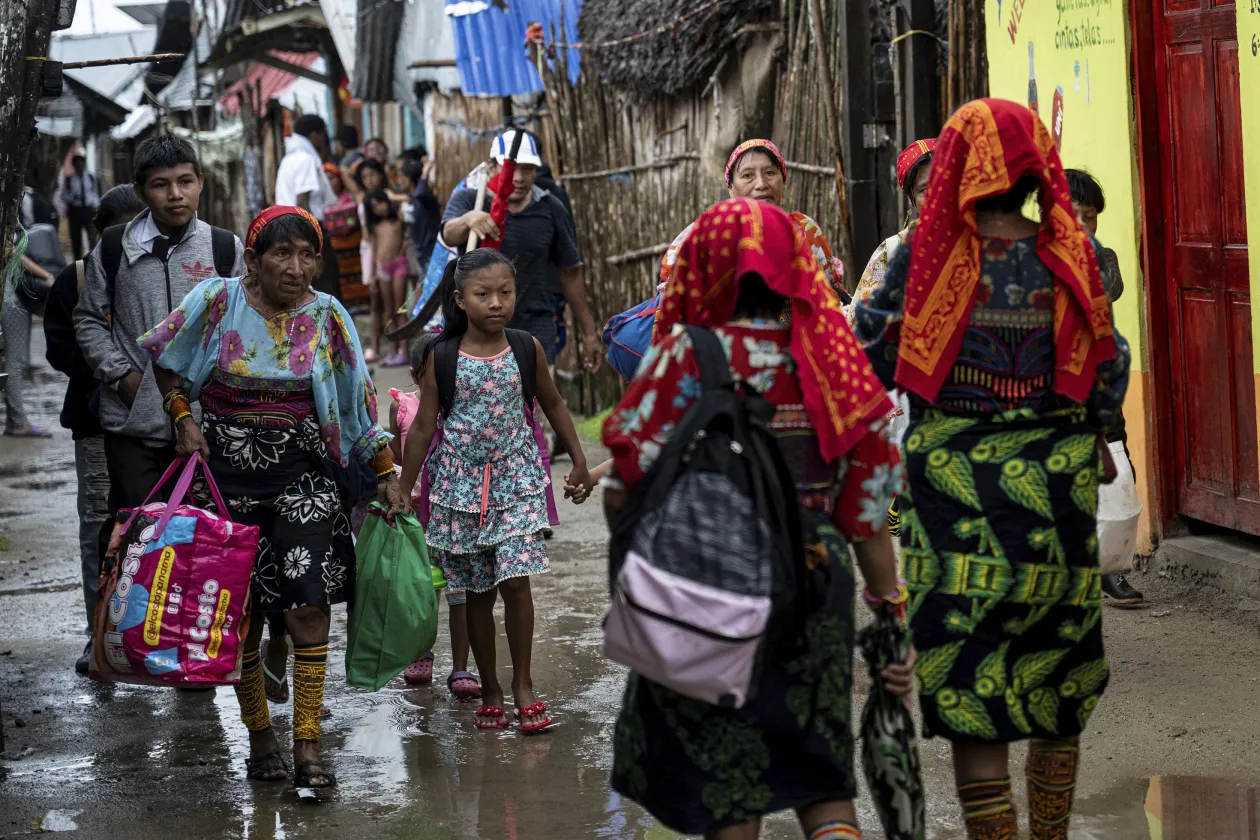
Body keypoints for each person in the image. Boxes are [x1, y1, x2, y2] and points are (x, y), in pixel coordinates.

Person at [852, 98, 1131, 840]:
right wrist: (1097, 432)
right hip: (1056, 502)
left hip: (953, 503)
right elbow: (1109, 366)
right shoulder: (1072, 256)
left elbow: (873, 352)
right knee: (1055, 675)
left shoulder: (925, 259)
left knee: (974, 681)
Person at [601, 198, 913, 840]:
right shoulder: (833, 357)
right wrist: (890, 612)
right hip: (815, 583)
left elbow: (624, 476)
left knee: (730, 785)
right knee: (820, 776)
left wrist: (642, 569)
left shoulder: (687, 353)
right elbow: (868, 511)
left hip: (711, 581)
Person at [138, 205, 404, 787]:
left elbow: (357, 400)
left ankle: (308, 745)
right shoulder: (217, 300)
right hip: (223, 476)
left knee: (308, 609)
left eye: (308, 255)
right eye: (282, 254)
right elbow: (165, 360)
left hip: (303, 477)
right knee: (243, 616)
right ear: (253, 261)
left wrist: (385, 470)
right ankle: (261, 740)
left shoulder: (329, 315)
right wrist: (182, 417)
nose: (297, 267)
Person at [397, 249, 595, 733]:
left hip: (518, 479)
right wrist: (405, 486)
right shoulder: (441, 356)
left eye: (505, 292)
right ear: (461, 299)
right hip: (459, 488)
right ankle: (490, 688)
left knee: (517, 582)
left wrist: (581, 461)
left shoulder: (527, 347)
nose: (496, 303)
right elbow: (423, 427)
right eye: (483, 294)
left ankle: (524, 684)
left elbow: (552, 402)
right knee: (479, 592)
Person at [74, 133, 245, 532]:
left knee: (207, 540)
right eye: (161, 184)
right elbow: (88, 319)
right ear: (140, 191)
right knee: (139, 538)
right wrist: (122, 377)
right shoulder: (115, 247)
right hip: (134, 426)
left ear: (201, 182)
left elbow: (242, 327)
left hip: (209, 425)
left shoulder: (223, 248)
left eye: (185, 181)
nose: (175, 194)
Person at [43, 183, 147, 673]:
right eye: (116, 235)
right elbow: (60, 350)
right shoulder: (77, 279)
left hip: (157, 423)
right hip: (97, 425)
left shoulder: (157, 271)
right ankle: (98, 637)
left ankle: (151, 634)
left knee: (159, 526)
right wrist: (114, 372)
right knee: (99, 528)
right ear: (98, 233)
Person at [440, 130, 601, 372]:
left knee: (538, 402)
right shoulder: (471, 201)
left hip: (536, 323)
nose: (518, 177)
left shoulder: (550, 208)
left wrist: (589, 332)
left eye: (527, 169)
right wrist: (468, 220)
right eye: (510, 167)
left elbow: (570, 273)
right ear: (491, 167)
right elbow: (448, 234)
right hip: (477, 327)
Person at [1066, 168, 1142, 608]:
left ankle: (1111, 569)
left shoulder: (1105, 259)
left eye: (1088, 215)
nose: (1080, 223)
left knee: (1118, 472)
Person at [388, 333, 480, 700]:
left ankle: (460, 667)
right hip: (417, 514)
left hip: (456, 512)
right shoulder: (404, 407)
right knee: (420, 588)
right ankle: (419, 652)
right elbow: (396, 451)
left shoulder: (464, 407)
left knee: (460, 592)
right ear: (415, 375)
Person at [657, 139, 847, 313]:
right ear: (730, 187)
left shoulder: (805, 229)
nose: (761, 184)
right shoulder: (706, 234)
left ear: (783, 181)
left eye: (770, 173)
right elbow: (675, 300)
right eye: (748, 175)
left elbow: (832, 293)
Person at [846, 139, 935, 320]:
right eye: (924, 189)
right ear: (912, 200)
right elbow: (859, 322)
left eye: (943, 181)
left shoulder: (980, 241)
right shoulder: (892, 252)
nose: (937, 195)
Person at [4, 190, 65, 438]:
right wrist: (46, 275)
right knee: (15, 359)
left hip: (9, 293)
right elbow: (11, 252)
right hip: (11, 296)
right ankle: (17, 422)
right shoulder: (6, 217)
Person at [274, 114, 340, 299]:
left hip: (288, 227)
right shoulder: (305, 159)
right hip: (305, 228)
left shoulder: (289, 158)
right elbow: (302, 200)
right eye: (322, 135)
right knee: (323, 284)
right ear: (315, 134)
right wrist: (313, 246)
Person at [364, 188, 409, 366]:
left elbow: (407, 198)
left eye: (381, 203)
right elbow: (374, 250)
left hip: (399, 264)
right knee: (390, 312)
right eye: (374, 207)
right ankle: (394, 350)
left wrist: (392, 196)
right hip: (382, 267)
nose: (379, 209)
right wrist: (373, 277)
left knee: (400, 310)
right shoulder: (374, 227)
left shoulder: (399, 218)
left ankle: (404, 351)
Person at [398, 155, 441, 276]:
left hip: (431, 253)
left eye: (402, 177)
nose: (399, 180)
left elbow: (421, 193)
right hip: (419, 254)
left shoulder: (426, 199)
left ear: (409, 179)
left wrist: (425, 172)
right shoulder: (410, 199)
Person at [64, 154, 102, 261]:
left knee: (92, 237)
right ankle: (78, 263)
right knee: (76, 239)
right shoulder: (69, 179)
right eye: (77, 164)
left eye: (81, 164)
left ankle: (93, 260)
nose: (79, 166)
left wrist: (95, 206)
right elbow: (65, 196)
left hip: (89, 210)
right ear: (74, 166)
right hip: (75, 211)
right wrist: (73, 196)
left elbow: (95, 193)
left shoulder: (91, 177)